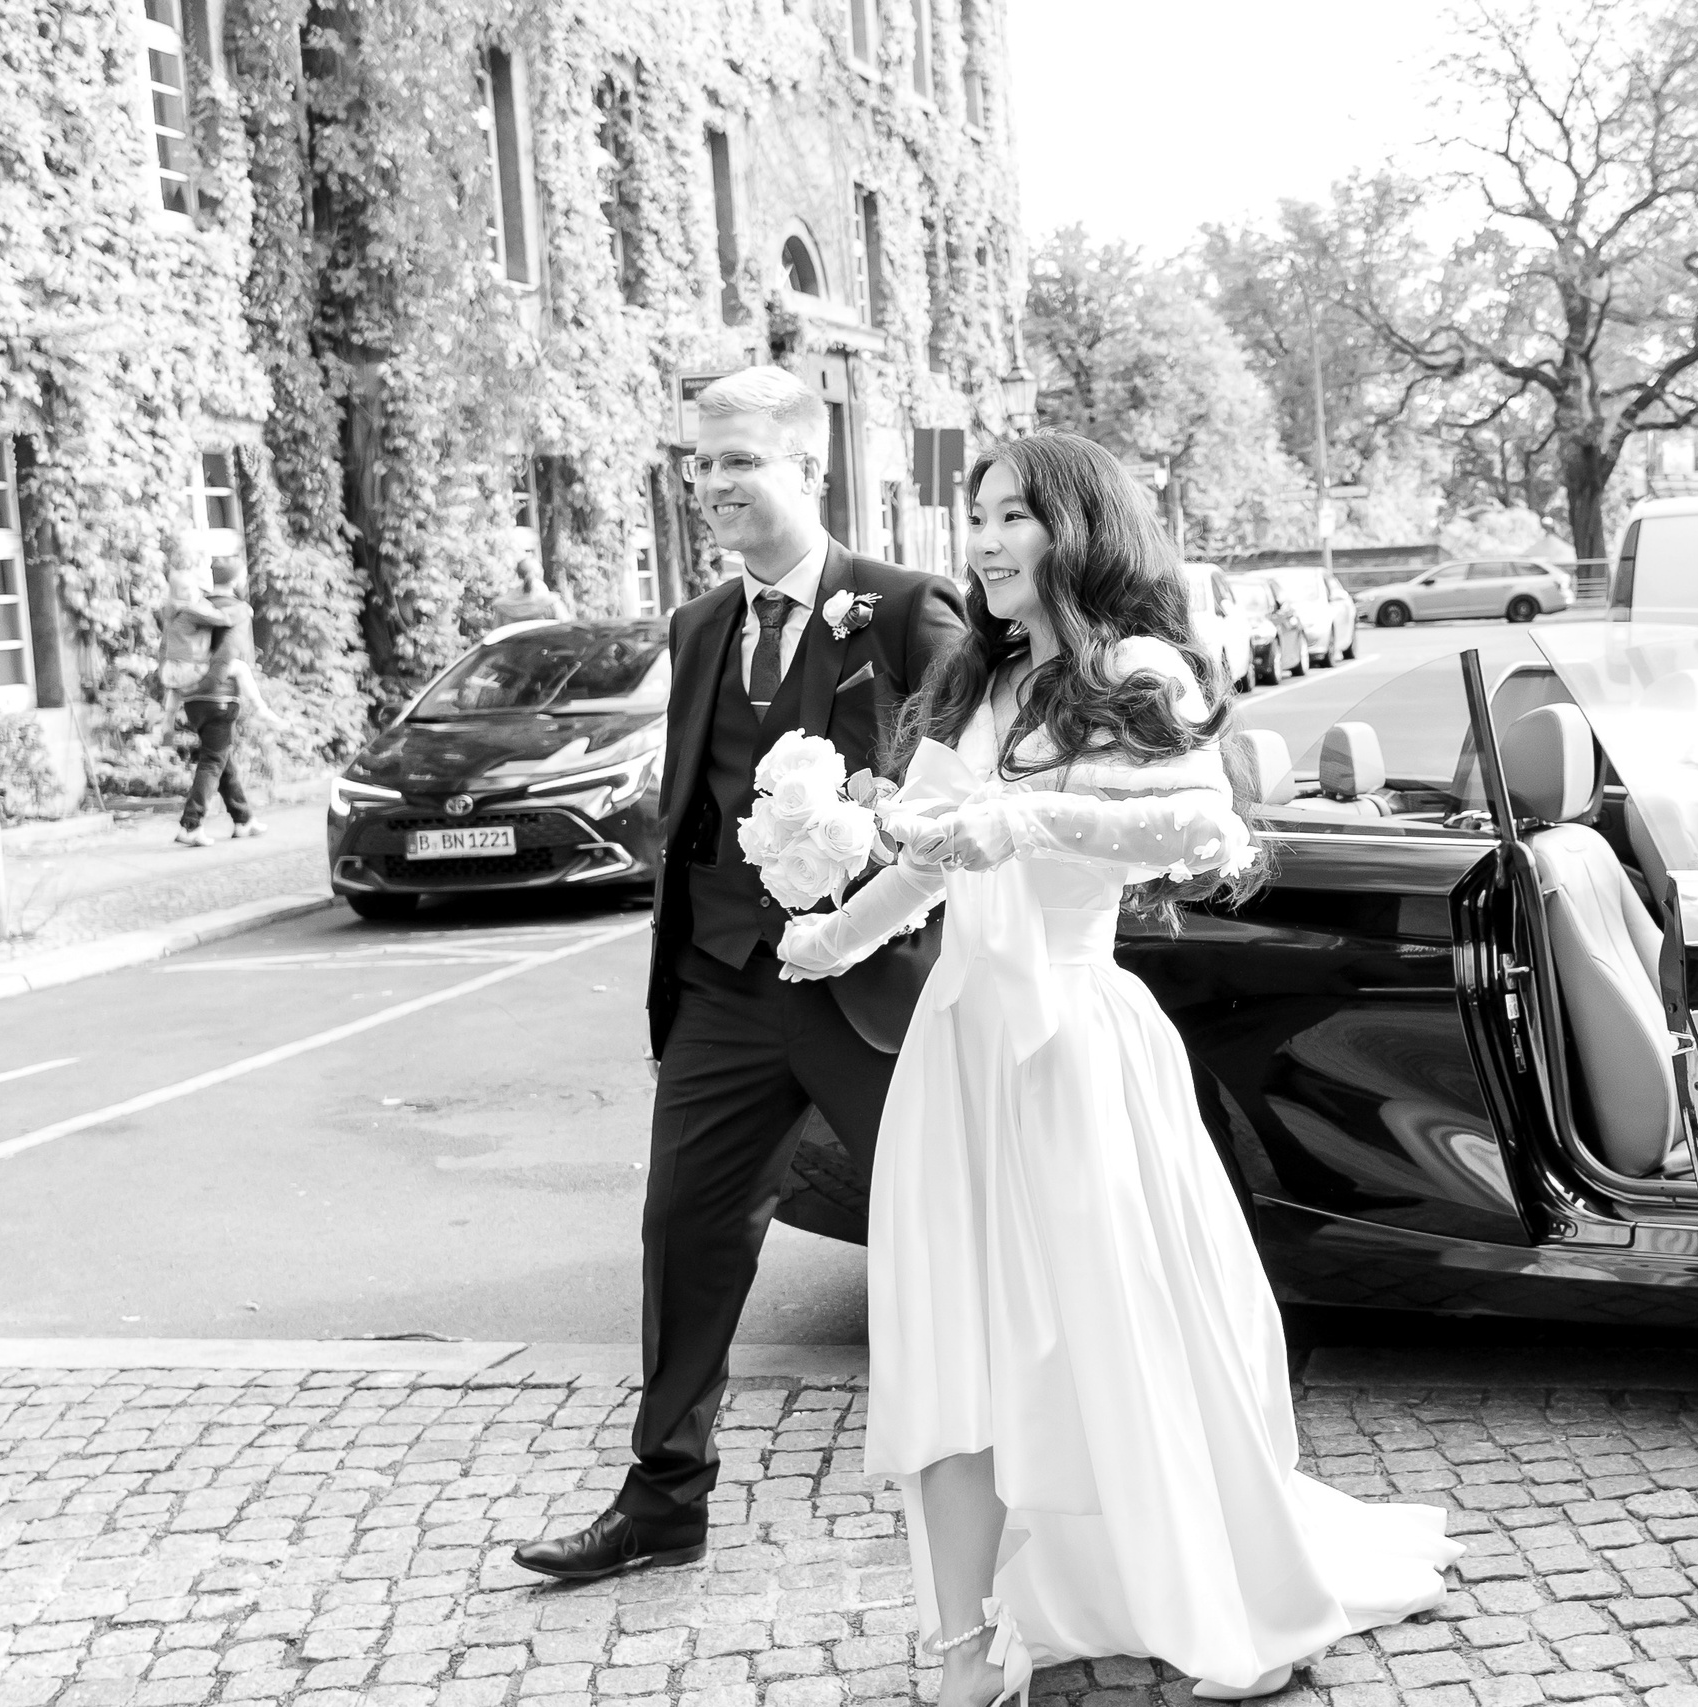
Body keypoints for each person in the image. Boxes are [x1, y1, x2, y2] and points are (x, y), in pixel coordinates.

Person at [776, 433, 1459, 1705]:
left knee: (1116, 1330)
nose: (982, 543)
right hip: (961, 1052)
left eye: (1012, 517)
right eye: (973, 518)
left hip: (1077, 1047)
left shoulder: (1132, 670)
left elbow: (1200, 827)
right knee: (951, 1343)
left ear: (1077, 529)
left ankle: (1198, 1585)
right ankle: (963, 1648)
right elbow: (930, 858)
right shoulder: (970, 686)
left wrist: (1026, 816)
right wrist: (826, 931)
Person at [510, 366, 967, 1582]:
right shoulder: (699, 623)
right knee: (684, 1234)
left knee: (949, 1234)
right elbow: (699, 813)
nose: (709, 486)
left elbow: (960, 806)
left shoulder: (908, 609)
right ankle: (664, 1498)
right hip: (721, 988)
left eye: (736, 464)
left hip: (867, 992)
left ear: (804, 472)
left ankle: (1024, 1493)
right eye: (698, 465)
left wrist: (870, 842)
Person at [159, 559, 274, 848]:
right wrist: (212, 683)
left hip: (191, 697)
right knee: (213, 761)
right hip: (218, 697)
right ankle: (190, 825)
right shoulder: (234, 609)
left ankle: (243, 819)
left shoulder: (192, 607)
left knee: (222, 761)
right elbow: (227, 653)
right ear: (236, 581)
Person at [491, 552, 572, 624]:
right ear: (541, 573)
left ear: (518, 575)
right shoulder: (551, 603)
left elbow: (495, 635)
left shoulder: (502, 607)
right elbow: (566, 628)